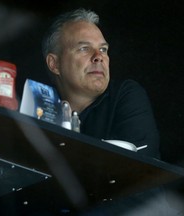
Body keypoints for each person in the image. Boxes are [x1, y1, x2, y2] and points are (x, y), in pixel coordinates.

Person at [42, 8, 160, 159]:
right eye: (84, 48)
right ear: (55, 64)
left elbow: (137, 170)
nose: (99, 57)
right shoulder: (40, 109)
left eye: (103, 49)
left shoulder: (125, 95)